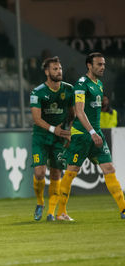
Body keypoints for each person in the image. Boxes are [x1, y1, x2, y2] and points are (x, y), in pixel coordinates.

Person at [57, 52, 125, 221]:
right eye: (99, 64)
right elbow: (79, 111)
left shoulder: (99, 85)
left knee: (109, 169)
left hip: (96, 133)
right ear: (89, 65)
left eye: (104, 64)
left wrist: (96, 131)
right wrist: (92, 132)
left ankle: (124, 209)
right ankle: (61, 212)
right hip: (82, 134)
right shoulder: (81, 84)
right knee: (72, 171)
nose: (103, 67)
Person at [30, 56, 74, 222]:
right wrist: (53, 129)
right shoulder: (38, 92)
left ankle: (51, 212)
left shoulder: (69, 90)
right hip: (41, 136)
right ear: (47, 72)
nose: (59, 71)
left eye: (60, 68)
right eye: (55, 69)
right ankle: (40, 202)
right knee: (40, 173)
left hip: (59, 137)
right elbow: (37, 119)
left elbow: (72, 114)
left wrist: (67, 131)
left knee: (56, 172)